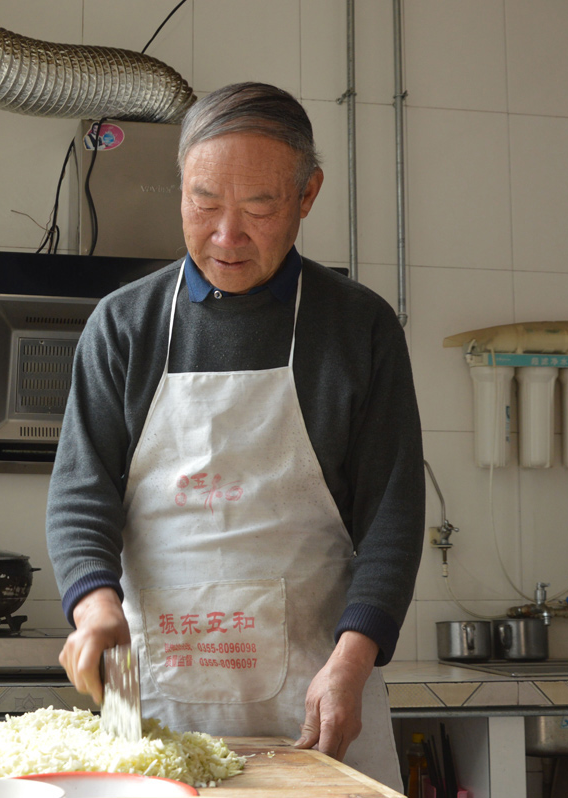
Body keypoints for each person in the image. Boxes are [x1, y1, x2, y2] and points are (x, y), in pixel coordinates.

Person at [45, 82, 424, 787]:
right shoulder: (122, 325)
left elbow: (393, 519)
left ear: (306, 196)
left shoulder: (358, 328)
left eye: (259, 207)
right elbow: (79, 493)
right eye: (203, 202)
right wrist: (96, 606)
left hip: (319, 695)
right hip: (145, 691)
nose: (226, 235)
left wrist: (353, 661)